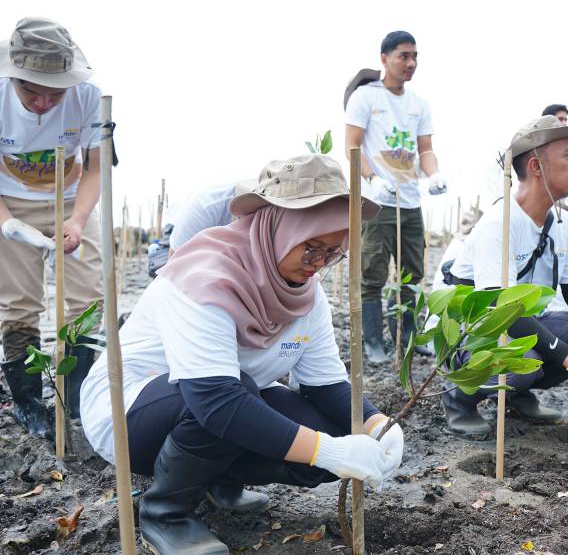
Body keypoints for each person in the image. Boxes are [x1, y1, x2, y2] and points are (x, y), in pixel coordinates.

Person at [80, 155, 403, 555]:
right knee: (248, 398)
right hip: (132, 415)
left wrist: (379, 426)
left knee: (334, 429)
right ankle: (166, 513)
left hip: (219, 407)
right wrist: (328, 451)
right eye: (311, 247)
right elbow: (214, 400)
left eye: (333, 252)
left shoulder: (307, 294)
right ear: (278, 229)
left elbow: (327, 384)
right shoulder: (206, 278)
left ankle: (217, 480)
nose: (318, 264)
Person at [440, 115, 568, 436]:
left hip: (528, 321)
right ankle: (458, 397)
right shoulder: (499, 223)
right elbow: (500, 311)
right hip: (470, 331)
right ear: (536, 166)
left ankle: (515, 394)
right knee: (524, 358)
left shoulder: (563, 222)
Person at [0, 18, 103, 438]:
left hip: (69, 200)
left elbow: (96, 169)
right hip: (11, 202)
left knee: (86, 296)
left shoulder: (90, 97)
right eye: (30, 91)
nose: (42, 103)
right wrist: (7, 224)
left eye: (54, 93)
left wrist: (77, 220)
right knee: (17, 302)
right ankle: (28, 401)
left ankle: (77, 395)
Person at [345, 30, 447, 362]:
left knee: (411, 274)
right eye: (404, 56)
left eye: (415, 56)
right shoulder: (366, 98)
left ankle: (406, 337)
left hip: (410, 201)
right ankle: (373, 343)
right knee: (372, 274)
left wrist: (434, 174)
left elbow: (426, 149)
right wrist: (372, 179)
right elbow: (352, 146)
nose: (411, 63)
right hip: (379, 201)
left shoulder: (419, 104)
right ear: (384, 58)